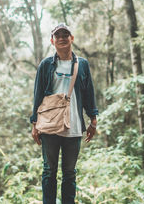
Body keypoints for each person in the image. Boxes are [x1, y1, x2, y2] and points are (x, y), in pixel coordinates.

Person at [30, 23, 98, 204]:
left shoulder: (81, 64)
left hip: (74, 126)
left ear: (71, 38)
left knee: (69, 173)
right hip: (50, 126)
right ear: (52, 41)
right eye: (57, 35)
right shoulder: (46, 65)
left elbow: (88, 93)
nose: (61, 37)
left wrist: (93, 120)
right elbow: (37, 95)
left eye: (65, 34)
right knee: (48, 171)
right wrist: (34, 124)